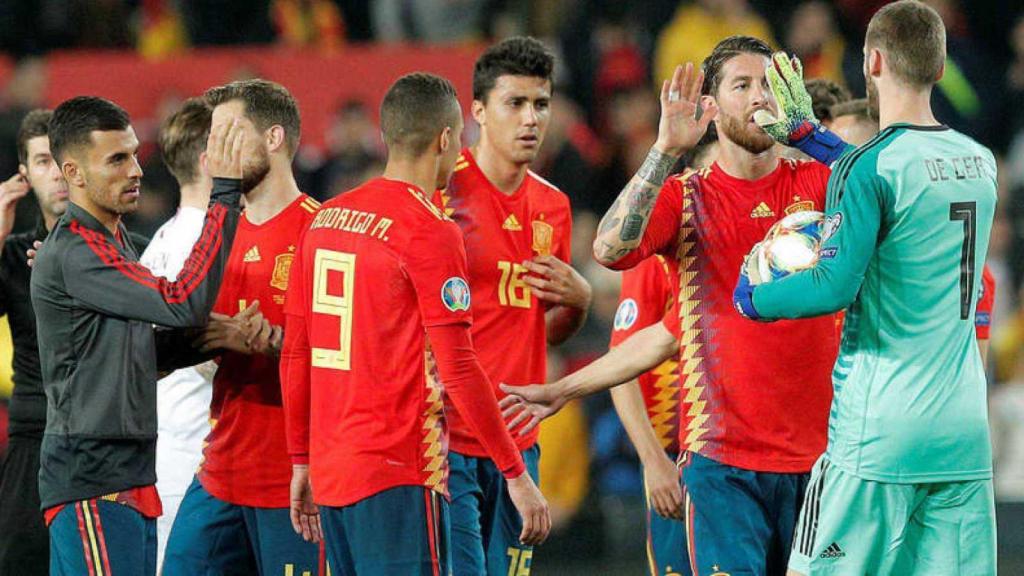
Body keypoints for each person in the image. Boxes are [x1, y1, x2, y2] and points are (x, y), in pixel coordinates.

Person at [504, 36, 840, 576]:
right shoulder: (686, 199)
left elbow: (896, 197)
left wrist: (816, 138)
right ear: (711, 105)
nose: (759, 98)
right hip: (722, 465)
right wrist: (663, 151)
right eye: (742, 85)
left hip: (825, 463)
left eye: (770, 85)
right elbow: (609, 249)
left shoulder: (825, 184)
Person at [732, 2, 998, 573]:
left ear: (871, 61)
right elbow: (901, 176)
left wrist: (753, 298)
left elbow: (831, 285)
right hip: (963, 435)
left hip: (879, 431)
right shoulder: (980, 162)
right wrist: (812, 138)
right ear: (941, 67)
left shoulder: (871, 169)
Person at [281, 72, 550, 575]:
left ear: (386, 136)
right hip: (399, 470)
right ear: (447, 139)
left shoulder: (323, 219)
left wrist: (301, 459)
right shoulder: (429, 229)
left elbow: (296, 352)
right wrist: (514, 471)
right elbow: (460, 367)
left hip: (332, 471)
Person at [30, 95, 244, 576]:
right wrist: (224, 195)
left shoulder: (115, 241)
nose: (135, 170)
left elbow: (136, 352)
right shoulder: (77, 251)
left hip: (121, 474)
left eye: (133, 154)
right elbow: (180, 300)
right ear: (75, 173)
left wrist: (215, 338)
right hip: (93, 479)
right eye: (117, 159)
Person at [433, 36, 590, 576]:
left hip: (520, 438)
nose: (531, 119)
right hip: (445, 436)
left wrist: (580, 302)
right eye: (515, 103)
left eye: (541, 104)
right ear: (477, 110)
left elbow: (544, 331)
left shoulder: (554, 206)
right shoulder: (440, 194)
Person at [162, 80, 322, 575]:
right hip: (221, 472)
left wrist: (277, 343)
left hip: (295, 480)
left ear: (274, 138)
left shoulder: (324, 231)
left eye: (229, 134)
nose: (215, 152)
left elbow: (349, 359)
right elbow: (196, 338)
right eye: (212, 138)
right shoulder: (217, 235)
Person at [137, 97, 233, 570]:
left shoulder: (159, 242)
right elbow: (200, 350)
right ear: (208, 159)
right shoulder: (206, 246)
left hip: (167, 451)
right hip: (198, 457)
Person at [0, 109, 68, 575]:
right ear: (24, 175)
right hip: (32, 438)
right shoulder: (9, 253)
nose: (59, 173)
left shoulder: (133, 251)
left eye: (63, 159)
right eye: (43, 161)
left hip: (105, 443)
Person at [608, 254, 690, 576]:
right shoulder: (657, 258)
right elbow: (621, 365)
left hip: (763, 454)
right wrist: (654, 460)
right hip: (678, 458)